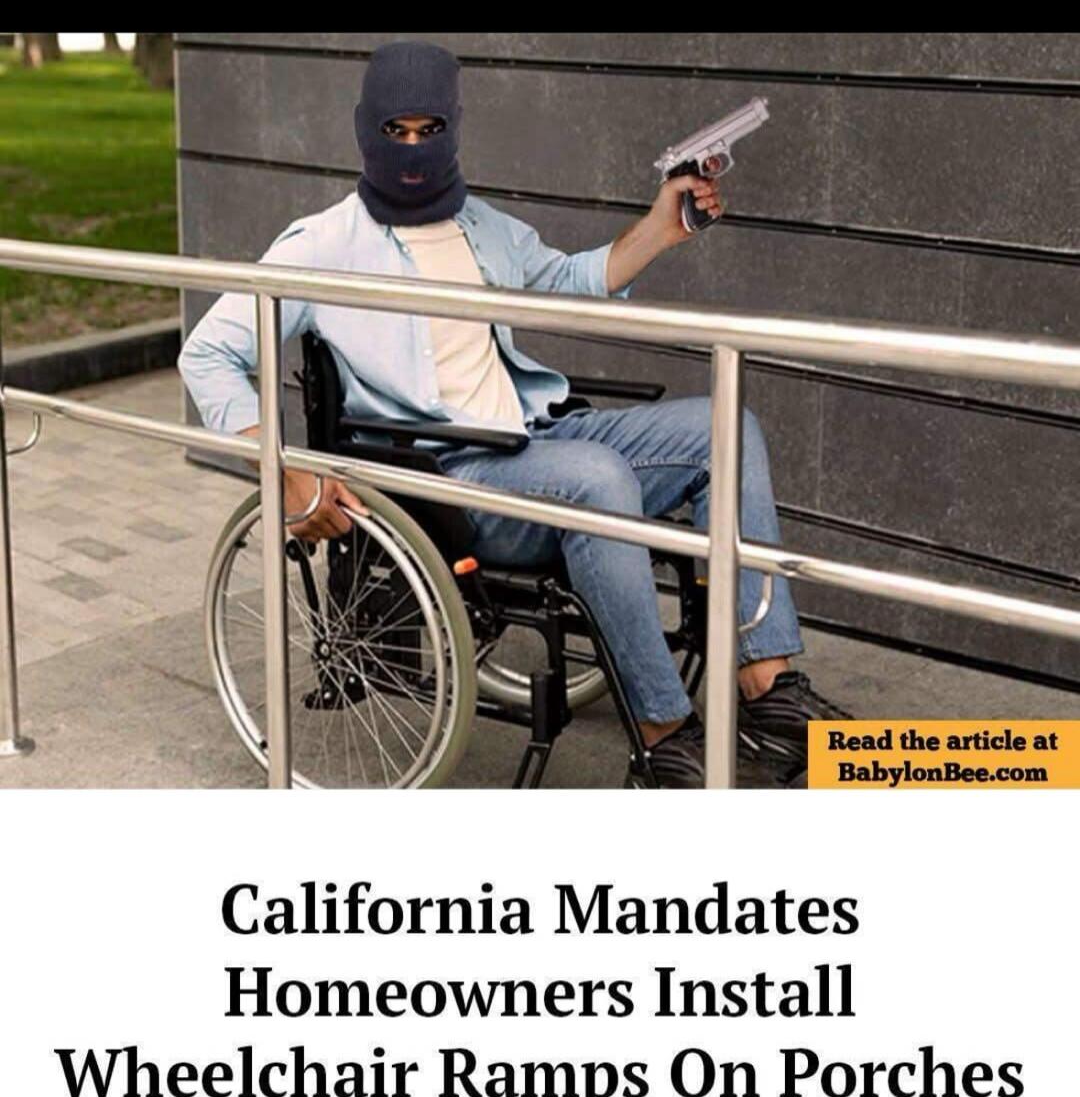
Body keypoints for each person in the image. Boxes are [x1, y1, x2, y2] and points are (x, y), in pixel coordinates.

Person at [179, 40, 843, 786]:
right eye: (395, 130)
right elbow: (208, 354)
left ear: (454, 127)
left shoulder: (481, 225)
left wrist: (664, 225)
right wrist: (286, 473)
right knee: (597, 479)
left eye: (429, 129)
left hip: (535, 435)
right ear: (366, 127)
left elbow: (571, 279)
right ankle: (665, 740)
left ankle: (769, 695)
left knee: (725, 430)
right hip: (451, 476)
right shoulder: (323, 245)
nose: (412, 147)